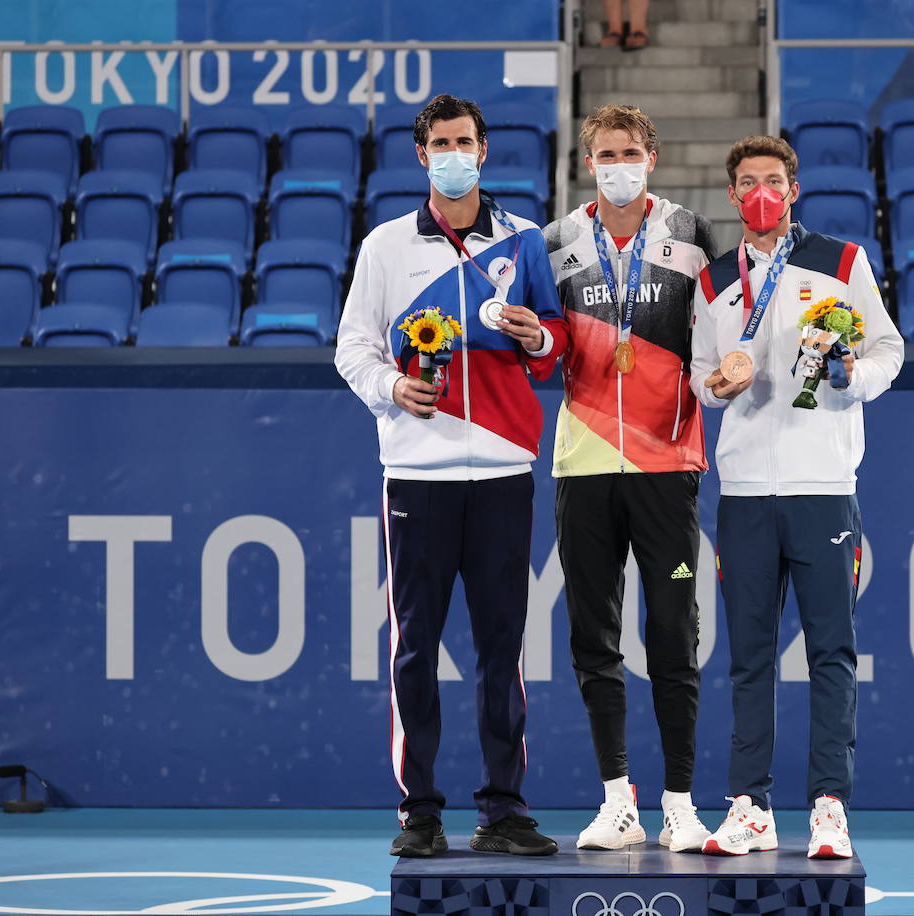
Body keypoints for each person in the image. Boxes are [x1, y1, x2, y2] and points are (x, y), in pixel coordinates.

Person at [335, 93, 569, 859]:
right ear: (421, 155)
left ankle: (502, 808)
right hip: (417, 471)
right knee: (416, 645)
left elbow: (555, 349)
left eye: (463, 140)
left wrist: (538, 337)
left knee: (505, 647)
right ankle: (420, 811)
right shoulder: (385, 248)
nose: (453, 153)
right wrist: (392, 389)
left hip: (504, 466)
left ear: (485, 148)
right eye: (439, 142)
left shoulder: (527, 240)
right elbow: (353, 350)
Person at [689, 135, 904, 860]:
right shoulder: (714, 279)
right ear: (731, 194)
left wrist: (850, 377)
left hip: (823, 486)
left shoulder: (843, 263)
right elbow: (698, 377)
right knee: (748, 657)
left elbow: (888, 349)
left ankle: (828, 808)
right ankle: (749, 806)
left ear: (794, 189)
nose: (761, 192)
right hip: (745, 489)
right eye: (747, 181)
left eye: (773, 180)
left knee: (831, 655)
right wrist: (717, 388)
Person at [543, 104, 717, 852]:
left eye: (631, 151)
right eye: (605, 153)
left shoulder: (690, 237)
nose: (618, 163)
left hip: (666, 462)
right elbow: (544, 347)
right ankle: (617, 798)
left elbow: (712, 343)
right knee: (593, 633)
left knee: (674, 633)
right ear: (589, 163)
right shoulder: (555, 244)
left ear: (652, 157)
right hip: (583, 462)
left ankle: (680, 800)